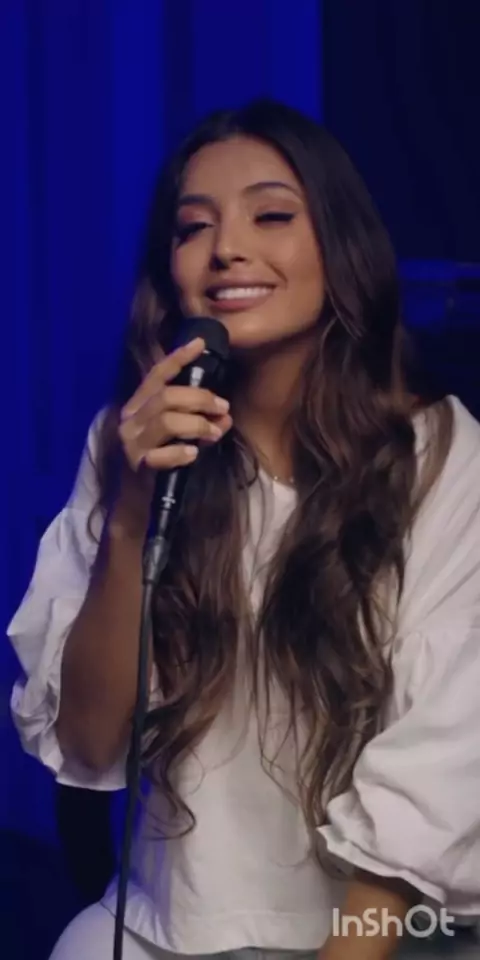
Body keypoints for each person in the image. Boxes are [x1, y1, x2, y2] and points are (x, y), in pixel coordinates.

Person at [8, 99, 480, 960]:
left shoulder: (441, 453)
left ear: (339, 246)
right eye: (194, 227)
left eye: (271, 215)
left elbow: (445, 761)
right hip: (168, 928)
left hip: (381, 932)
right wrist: (129, 513)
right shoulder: (127, 443)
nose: (226, 248)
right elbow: (88, 740)